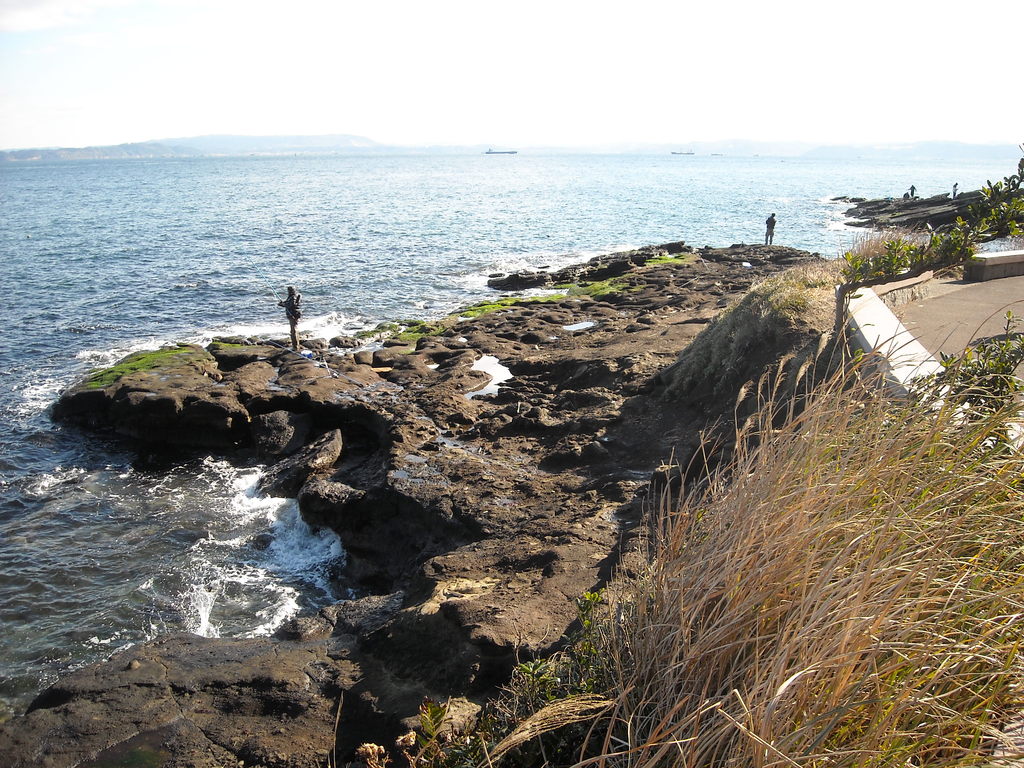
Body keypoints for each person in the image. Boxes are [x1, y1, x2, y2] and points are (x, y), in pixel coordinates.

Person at [279, 286, 302, 351]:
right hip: (294, 315)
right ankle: (296, 345)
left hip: (293, 315)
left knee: (293, 331)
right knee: (294, 330)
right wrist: (282, 303)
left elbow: (291, 305)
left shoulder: (293, 297)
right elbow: (288, 303)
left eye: (289, 290)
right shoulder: (293, 296)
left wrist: (283, 304)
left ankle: (295, 347)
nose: (288, 291)